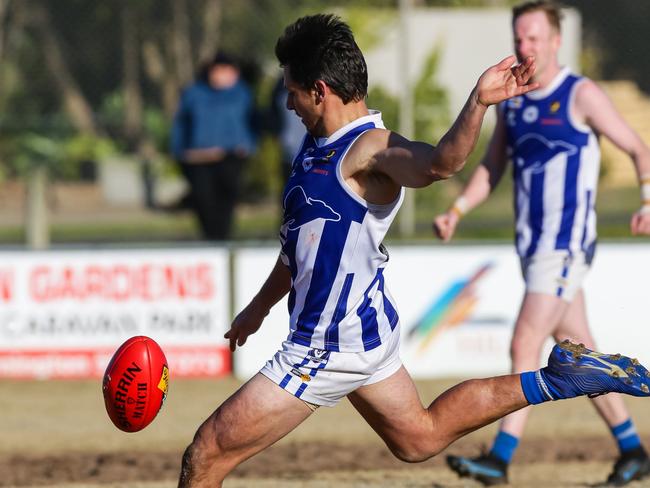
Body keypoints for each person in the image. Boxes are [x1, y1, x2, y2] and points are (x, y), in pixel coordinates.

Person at [177, 14, 650, 488]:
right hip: (364, 330)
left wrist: (478, 102)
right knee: (418, 438)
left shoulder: (371, 149)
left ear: (320, 90)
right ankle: (558, 380)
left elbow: (441, 163)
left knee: (206, 455)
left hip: (327, 344)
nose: (288, 102)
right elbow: (297, 249)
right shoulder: (314, 145)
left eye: (293, 90)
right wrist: (257, 311)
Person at [433, 2, 650, 486]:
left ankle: (501, 458)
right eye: (518, 38)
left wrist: (646, 198)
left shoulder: (581, 93)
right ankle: (634, 450)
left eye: (533, 38)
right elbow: (491, 168)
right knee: (583, 352)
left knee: (524, 340)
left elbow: (638, 147)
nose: (524, 47)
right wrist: (457, 210)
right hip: (533, 248)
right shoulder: (514, 98)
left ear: (556, 40)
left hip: (566, 244)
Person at [170, 51, 257, 241]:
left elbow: (252, 122)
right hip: (198, 158)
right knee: (204, 202)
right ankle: (210, 241)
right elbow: (181, 124)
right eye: (218, 70)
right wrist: (179, 152)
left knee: (226, 203)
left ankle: (223, 242)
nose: (222, 75)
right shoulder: (194, 94)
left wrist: (248, 147)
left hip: (231, 157)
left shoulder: (243, 94)